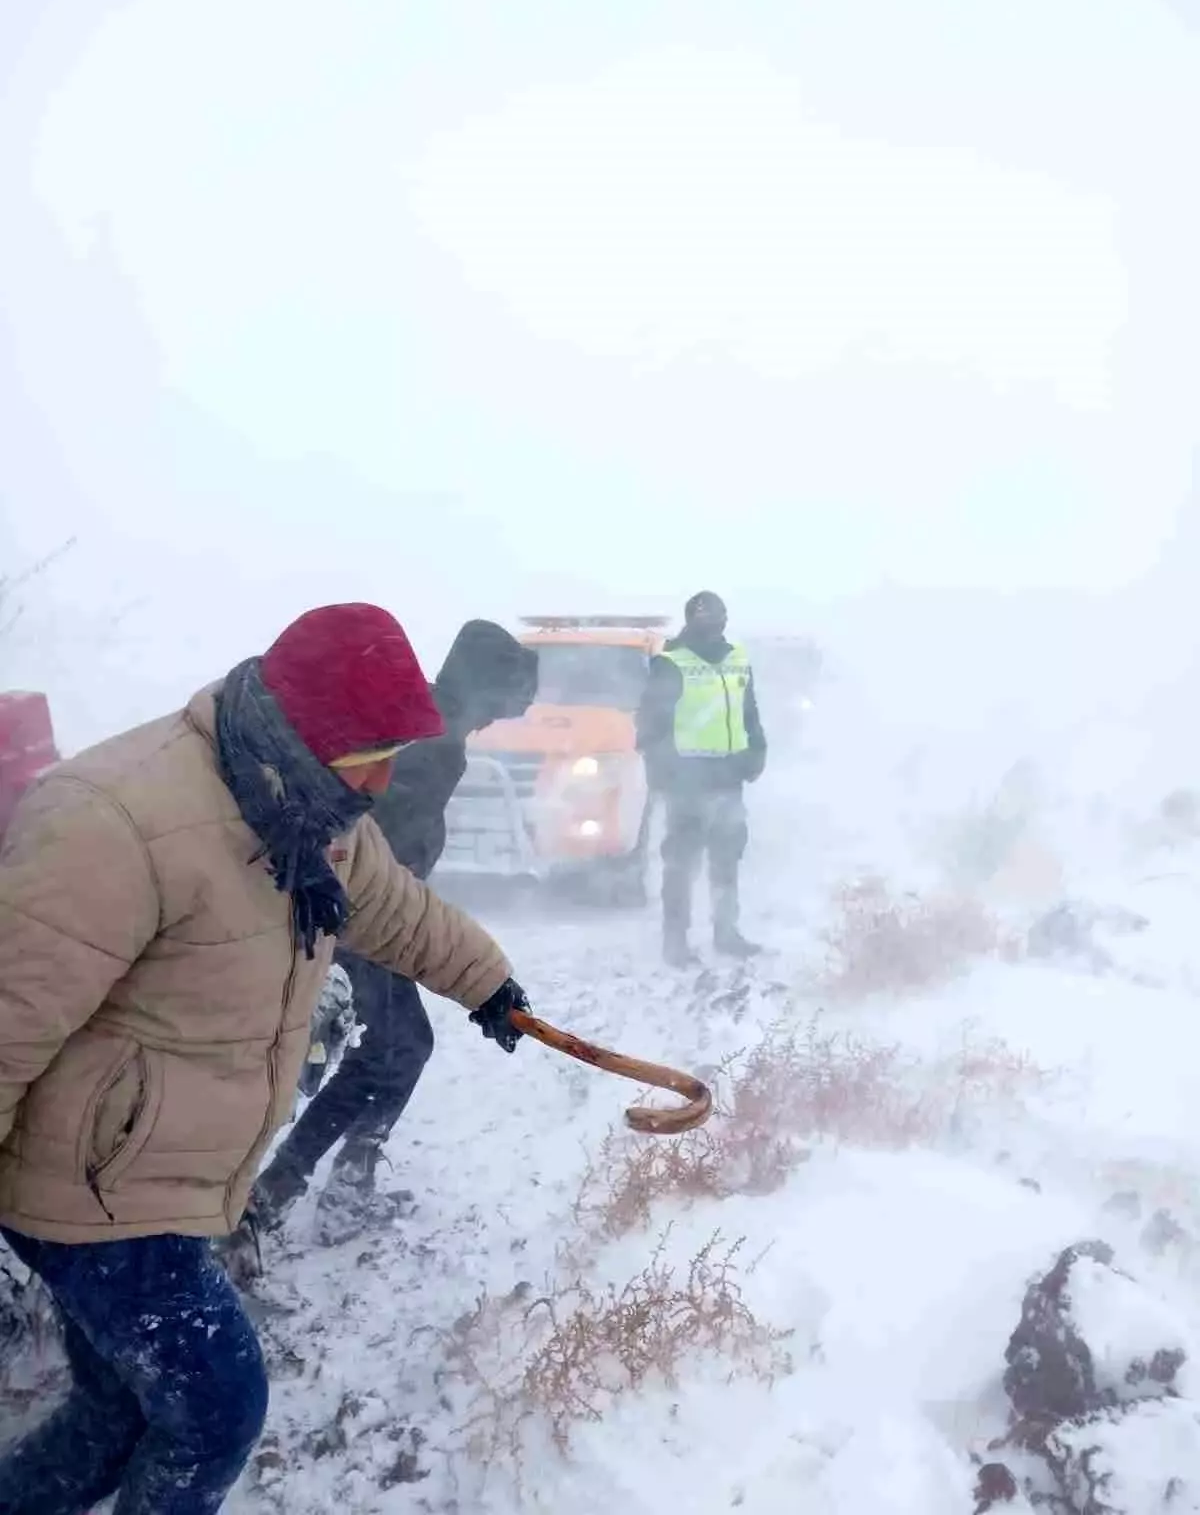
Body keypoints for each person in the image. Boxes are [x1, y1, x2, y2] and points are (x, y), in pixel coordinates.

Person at [0, 603, 530, 1515]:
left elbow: (394, 909)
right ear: (314, 730)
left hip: (153, 1171)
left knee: (119, 1407)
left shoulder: (307, 803)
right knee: (216, 1410)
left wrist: (488, 982)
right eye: (375, 752)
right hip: (91, 1188)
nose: (388, 776)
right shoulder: (118, 820)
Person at [243, 620, 538, 1248]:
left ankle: (311, 1187)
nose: (505, 717)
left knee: (394, 1047)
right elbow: (374, 839)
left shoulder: (436, 723)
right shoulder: (435, 741)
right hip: (357, 917)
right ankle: (286, 1196)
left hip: (358, 912)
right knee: (394, 1048)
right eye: (509, 700)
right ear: (487, 688)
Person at [636, 591, 767, 967]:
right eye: (705, 616)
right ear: (691, 619)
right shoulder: (671, 662)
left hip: (729, 778)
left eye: (719, 615)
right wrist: (664, 772)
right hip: (686, 783)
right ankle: (675, 942)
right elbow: (649, 724)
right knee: (681, 863)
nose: (714, 622)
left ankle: (726, 933)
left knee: (727, 860)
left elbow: (750, 713)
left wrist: (757, 751)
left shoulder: (737, 659)